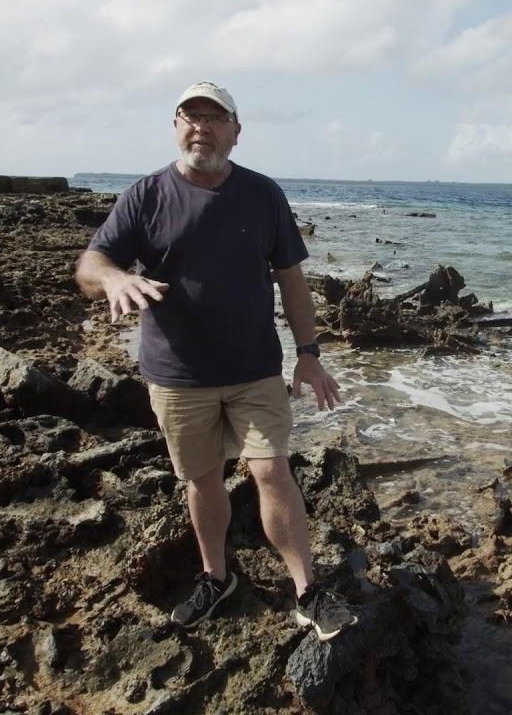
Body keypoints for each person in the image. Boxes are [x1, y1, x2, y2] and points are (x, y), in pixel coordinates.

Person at [73, 81, 357, 641]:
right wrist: (113, 277)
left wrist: (309, 355)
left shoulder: (263, 195)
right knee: (203, 482)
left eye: (215, 117)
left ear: (235, 131)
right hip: (177, 377)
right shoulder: (146, 195)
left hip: (254, 369)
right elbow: (90, 263)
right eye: (190, 115)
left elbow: (292, 281)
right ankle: (216, 576)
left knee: (273, 471)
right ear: (175, 126)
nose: (201, 126)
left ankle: (306, 589)